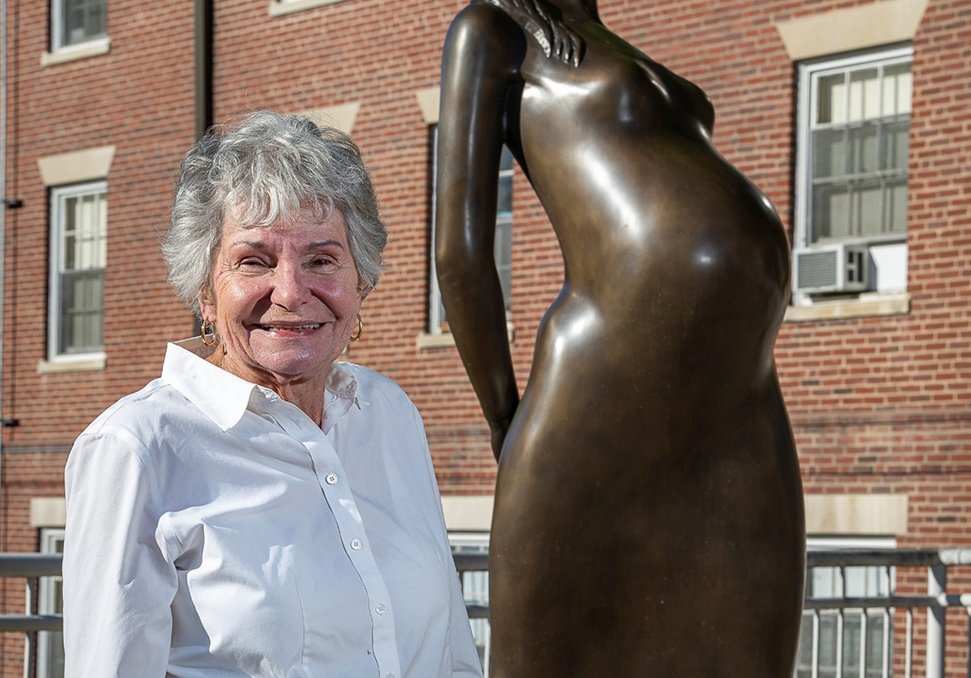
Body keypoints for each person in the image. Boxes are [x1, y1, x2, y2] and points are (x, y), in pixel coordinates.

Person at [435, 1, 805, 676]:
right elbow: (459, 253)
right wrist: (503, 415)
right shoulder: (495, 30)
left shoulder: (608, 41)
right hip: (605, 369)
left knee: (750, 642)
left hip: (739, 388)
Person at [63, 111, 484, 678]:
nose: (289, 292)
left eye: (321, 260)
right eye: (253, 261)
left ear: (360, 282)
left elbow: (450, 649)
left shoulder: (388, 413)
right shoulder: (136, 449)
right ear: (205, 291)